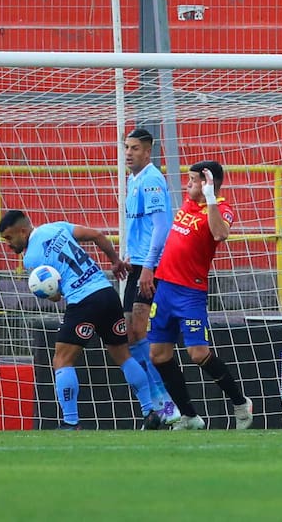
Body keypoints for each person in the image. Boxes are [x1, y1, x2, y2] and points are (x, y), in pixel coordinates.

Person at [0, 209, 161, 430]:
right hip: (107, 293)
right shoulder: (56, 227)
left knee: (62, 361)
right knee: (123, 356)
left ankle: (71, 422)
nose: (8, 244)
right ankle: (149, 410)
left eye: (9, 238)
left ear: (23, 231)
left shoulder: (31, 258)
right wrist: (115, 261)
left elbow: (55, 296)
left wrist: (43, 291)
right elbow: (97, 235)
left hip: (83, 302)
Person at [148, 160, 253, 430]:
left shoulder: (222, 209)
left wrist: (209, 197)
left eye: (193, 179)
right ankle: (190, 416)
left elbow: (220, 234)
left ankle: (241, 403)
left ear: (208, 184)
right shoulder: (188, 201)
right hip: (165, 288)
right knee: (158, 355)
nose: (188, 184)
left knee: (198, 353)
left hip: (190, 292)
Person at [122, 128, 180, 425]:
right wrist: (130, 257)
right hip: (138, 265)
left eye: (134, 148)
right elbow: (142, 229)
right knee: (132, 335)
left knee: (141, 334)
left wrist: (147, 266)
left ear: (147, 151)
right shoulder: (135, 180)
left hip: (152, 267)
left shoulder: (152, 180)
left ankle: (170, 409)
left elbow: (161, 227)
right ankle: (160, 408)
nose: (128, 152)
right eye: (127, 147)